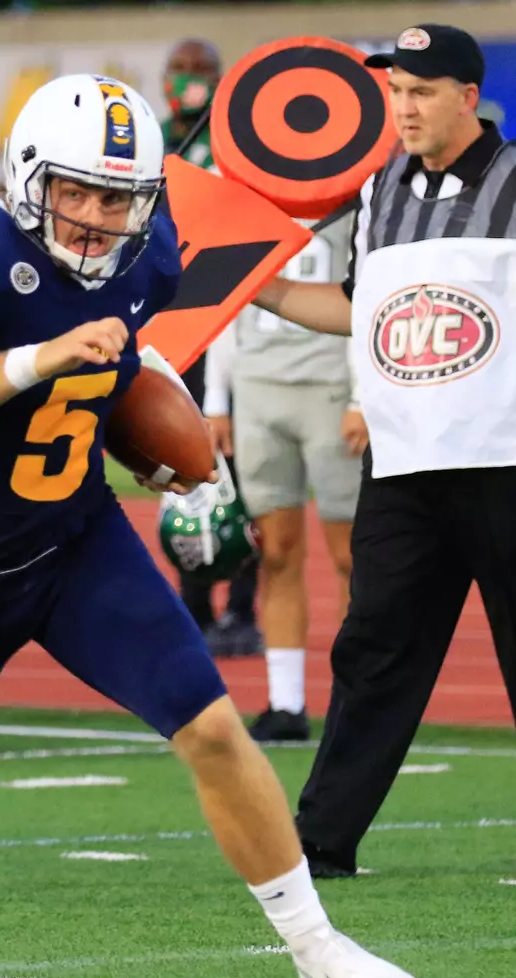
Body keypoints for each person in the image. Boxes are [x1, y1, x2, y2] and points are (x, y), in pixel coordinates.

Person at [0, 73, 421, 978]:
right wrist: (42, 360)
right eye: (75, 191)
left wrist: (158, 441)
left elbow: (123, 353)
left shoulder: (148, 254)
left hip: (76, 540)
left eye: (116, 196)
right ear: (29, 177)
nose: (94, 216)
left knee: (209, 724)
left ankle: (318, 949)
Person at [253, 25, 516, 878]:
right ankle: (323, 840)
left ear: (469, 95)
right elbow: (359, 306)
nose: (404, 108)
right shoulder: (380, 188)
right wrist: (265, 288)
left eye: (421, 91)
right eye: (396, 92)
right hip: (400, 461)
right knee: (372, 647)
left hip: (508, 460)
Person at [204, 207, 364, 743]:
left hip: (330, 386)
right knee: (276, 551)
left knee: (351, 554)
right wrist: (215, 398)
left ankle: (358, 697)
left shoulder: (357, 196)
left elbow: (370, 297)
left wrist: (364, 394)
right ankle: (286, 700)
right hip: (258, 388)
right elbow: (226, 301)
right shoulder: (251, 199)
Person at [159, 37, 262, 658]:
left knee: (242, 475)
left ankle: (243, 609)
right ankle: (193, 605)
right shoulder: (150, 145)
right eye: (182, 71)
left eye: (201, 71)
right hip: (171, 329)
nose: (190, 81)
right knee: (182, 467)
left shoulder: (231, 146)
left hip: (225, 321)